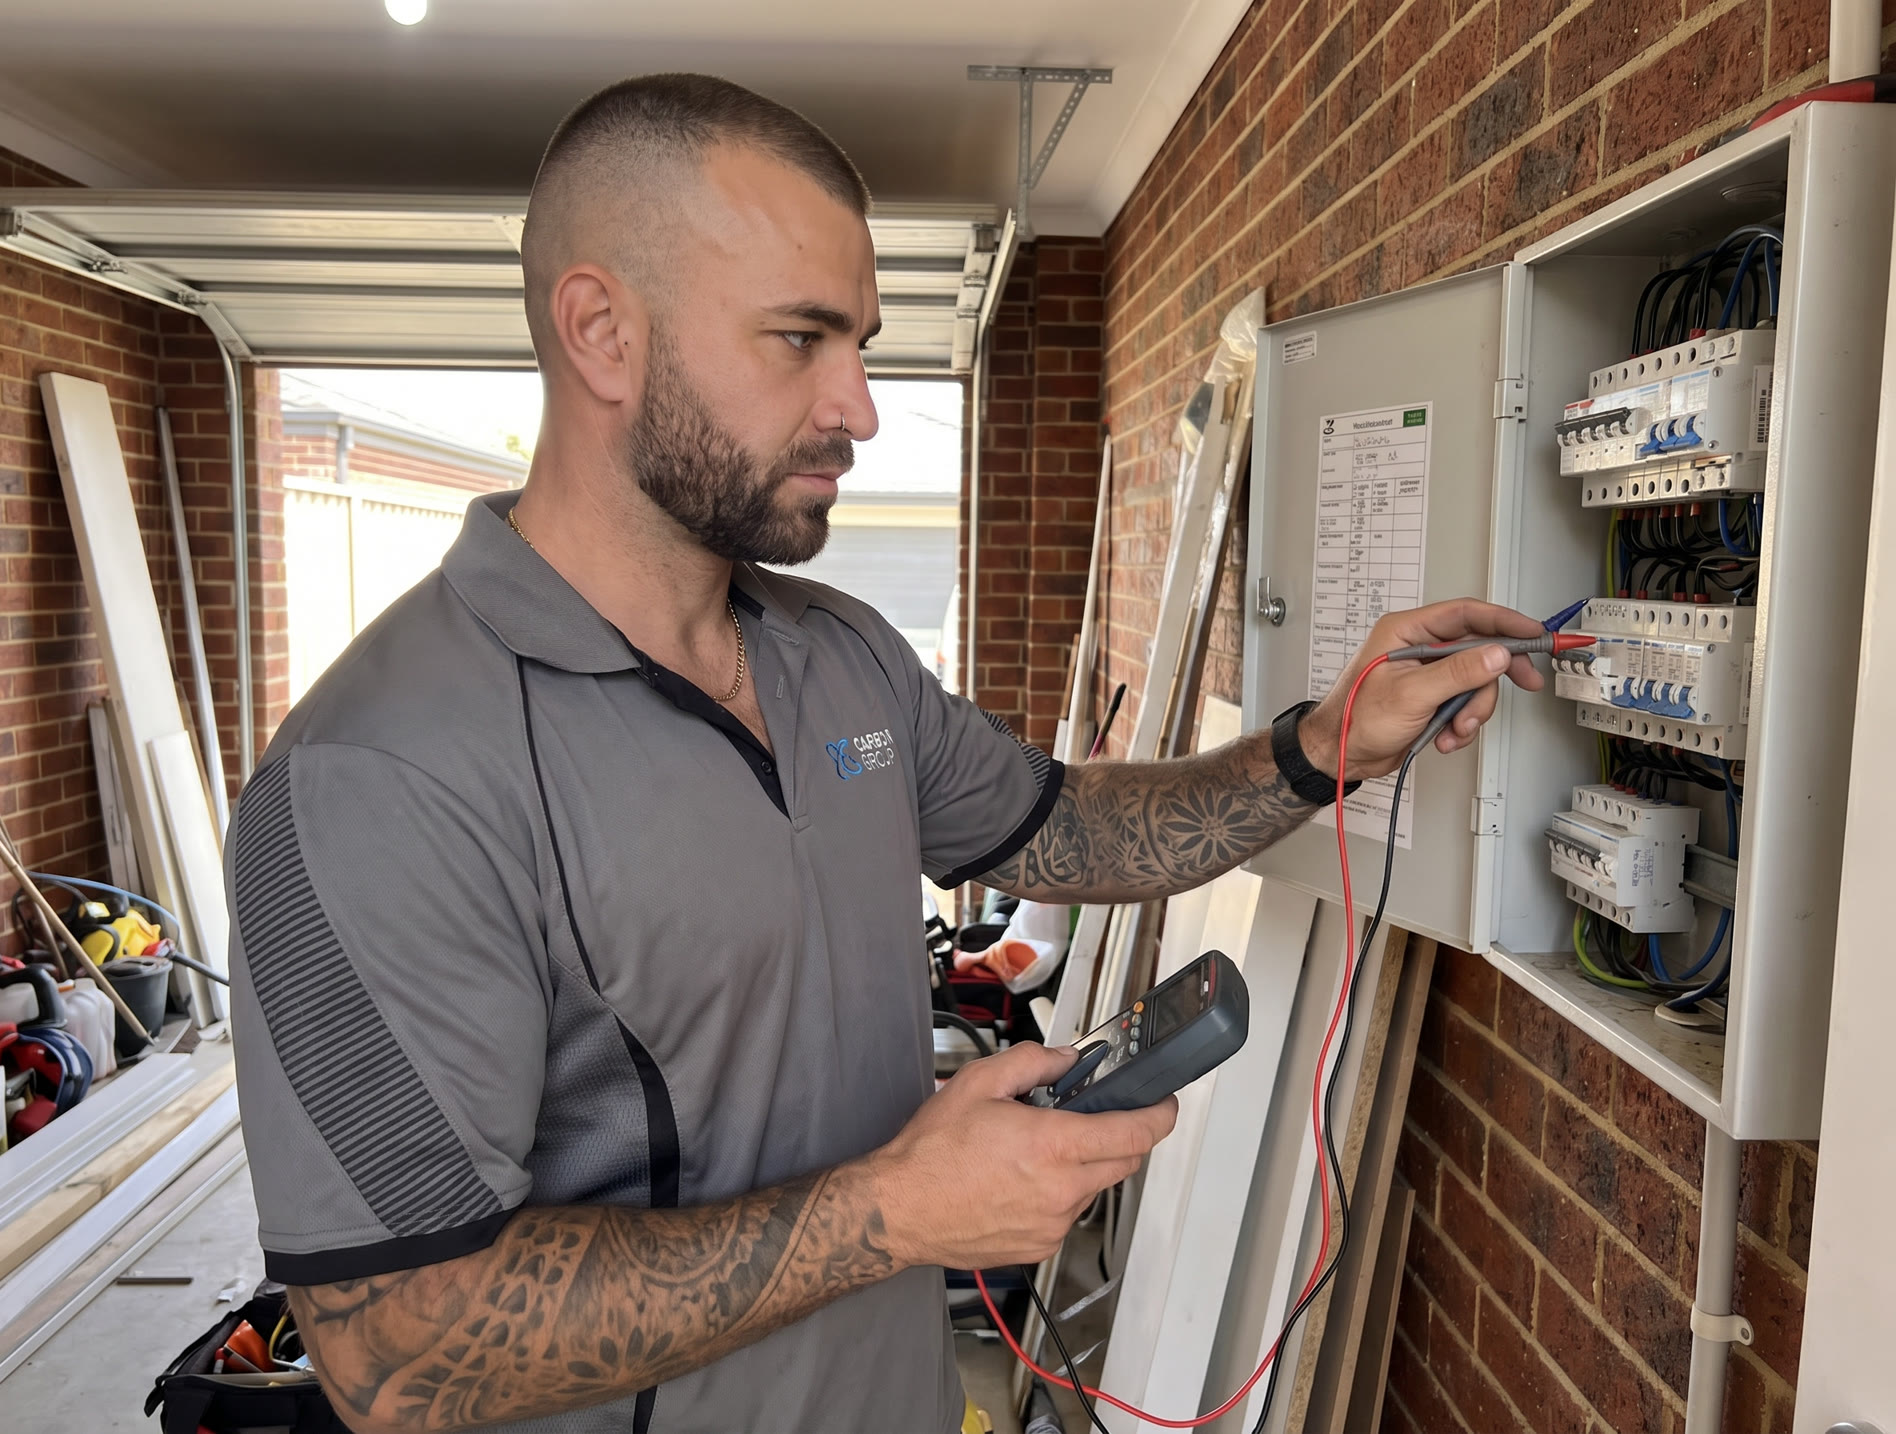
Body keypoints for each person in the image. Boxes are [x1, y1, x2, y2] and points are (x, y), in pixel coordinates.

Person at [224, 73, 1545, 1434]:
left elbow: (1067, 832)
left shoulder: (837, 653)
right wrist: (895, 1210)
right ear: (602, 332)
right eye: (800, 338)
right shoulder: (376, 775)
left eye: (858, 338)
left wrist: (1328, 743)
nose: (859, 404)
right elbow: (399, 1349)